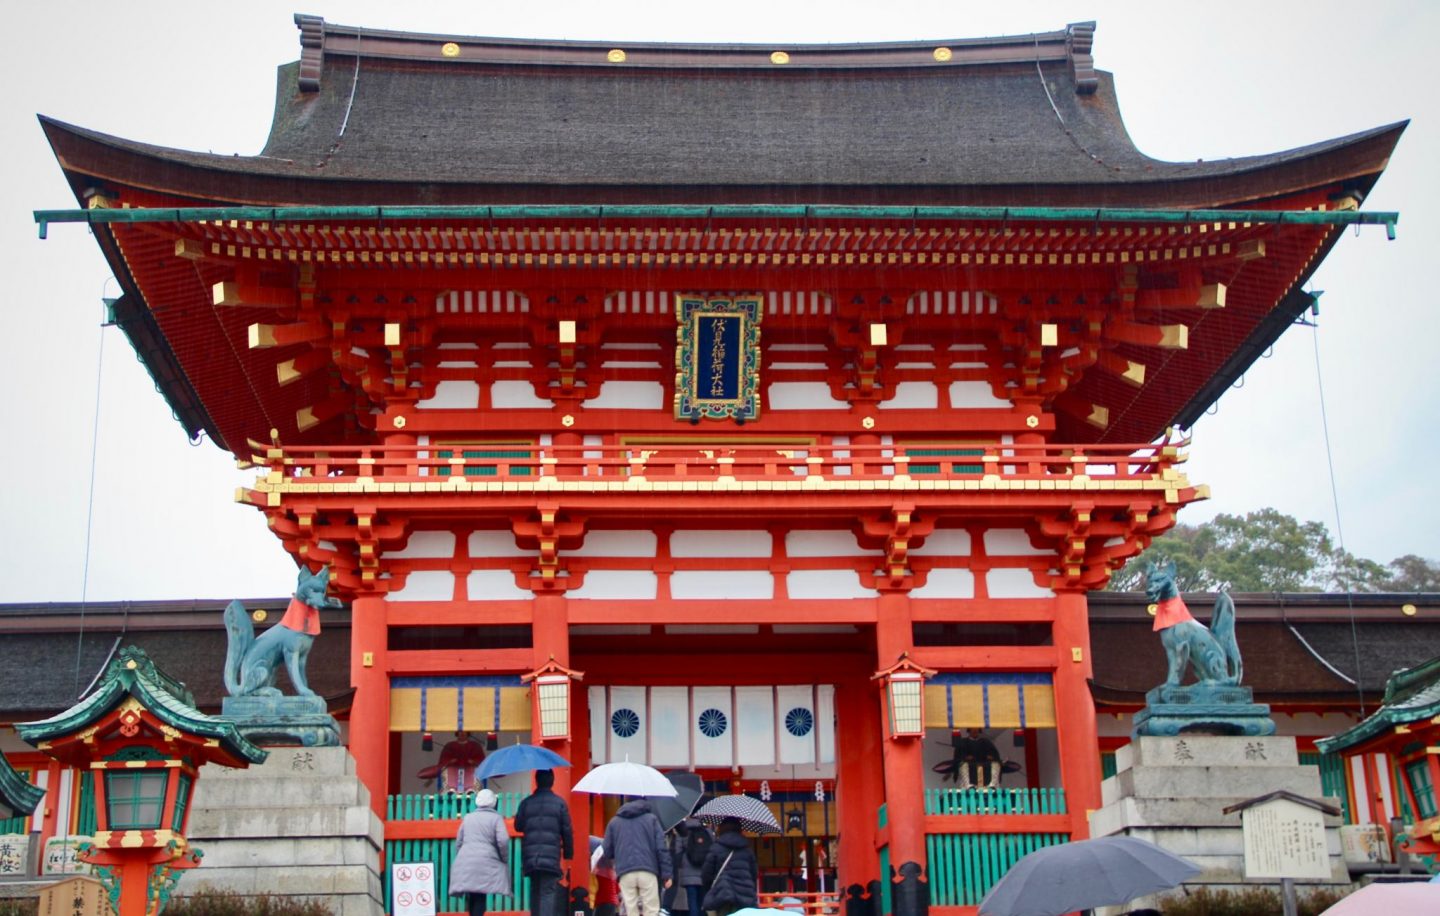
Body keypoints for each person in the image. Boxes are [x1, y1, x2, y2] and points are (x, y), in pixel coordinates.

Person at [513, 769, 574, 916]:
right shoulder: (560, 803)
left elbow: (518, 826)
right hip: (551, 856)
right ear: (552, 782)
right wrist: (568, 853)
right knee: (547, 892)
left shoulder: (526, 803)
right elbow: (567, 831)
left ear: (536, 781)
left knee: (535, 890)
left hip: (531, 856)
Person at [602, 797, 672, 916]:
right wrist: (667, 874)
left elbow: (607, 850)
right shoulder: (652, 820)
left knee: (630, 911)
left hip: (625, 872)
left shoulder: (614, 822)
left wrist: (619, 853)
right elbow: (661, 848)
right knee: (651, 910)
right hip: (648, 870)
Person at [450, 788, 511, 916]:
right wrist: (503, 857)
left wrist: (462, 855)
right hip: (486, 861)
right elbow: (503, 840)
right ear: (494, 802)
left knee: (472, 895)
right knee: (481, 895)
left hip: (466, 859)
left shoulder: (468, 818)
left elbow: (459, 841)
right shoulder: (496, 818)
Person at [700, 818, 758, 916]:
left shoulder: (716, 848)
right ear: (739, 829)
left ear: (721, 828)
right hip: (745, 897)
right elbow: (754, 874)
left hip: (723, 895)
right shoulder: (747, 850)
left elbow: (706, 875)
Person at [672, 817, 713, 916]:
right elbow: (713, 849)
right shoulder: (707, 831)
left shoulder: (682, 832)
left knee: (692, 903)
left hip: (688, 873)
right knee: (702, 904)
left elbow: (677, 852)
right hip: (704, 873)